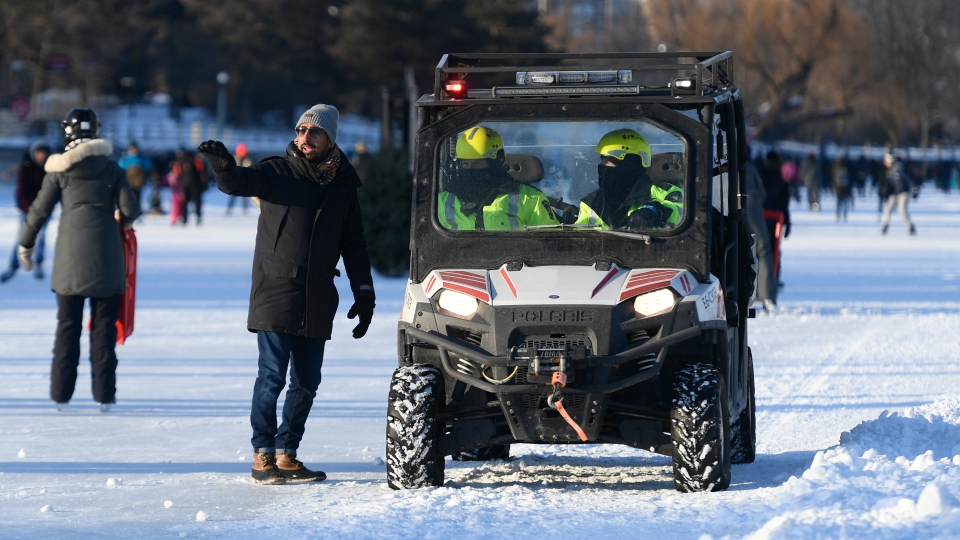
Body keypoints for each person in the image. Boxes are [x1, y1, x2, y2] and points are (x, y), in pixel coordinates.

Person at [197, 103, 375, 485]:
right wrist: (224, 166)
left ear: (330, 139)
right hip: (276, 290)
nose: (305, 138)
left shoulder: (344, 184)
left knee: (307, 382)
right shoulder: (277, 171)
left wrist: (364, 292)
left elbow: (354, 242)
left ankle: (287, 453)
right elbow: (238, 184)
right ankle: (262, 454)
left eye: (314, 132)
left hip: (317, 297)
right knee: (272, 377)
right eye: (300, 130)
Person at [17, 108, 141, 411]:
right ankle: (105, 395)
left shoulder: (59, 169)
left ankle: (61, 395)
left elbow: (38, 212)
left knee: (67, 327)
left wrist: (26, 246)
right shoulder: (112, 168)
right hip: (108, 261)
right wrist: (120, 219)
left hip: (69, 263)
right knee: (104, 330)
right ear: (95, 131)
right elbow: (131, 209)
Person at [438, 126, 559, 230]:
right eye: (465, 164)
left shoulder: (530, 199)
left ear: (497, 162)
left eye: (478, 164)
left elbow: (551, 244)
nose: (471, 169)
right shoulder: (442, 201)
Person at [575, 128, 683, 230]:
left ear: (629, 164)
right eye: (602, 160)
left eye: (608, 160)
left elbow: (681, 211)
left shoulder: (665, 192)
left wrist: (655, 211)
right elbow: (577, 240)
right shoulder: (592, 202)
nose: (601, 165)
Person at [1, 141, 51, 283]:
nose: (42, 156)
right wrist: (28, 209)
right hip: (27, 210)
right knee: (22, 237)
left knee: (41, 237)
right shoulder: (26, 168)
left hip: (44, 210)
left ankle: (39, 264)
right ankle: (14, 264)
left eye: (44, 153)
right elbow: (21, 191)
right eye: (39, 153)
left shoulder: (50, 169)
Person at [744, 156, 777, 312]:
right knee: (763, 250)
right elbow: (761, 191)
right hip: (752, 205)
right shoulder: (749, 166)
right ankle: (767, 295)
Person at [880, 151, 916, 235]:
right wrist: (884, 190)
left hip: (903, 193)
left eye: (887, 161)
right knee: (888, 209)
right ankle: (885, 226)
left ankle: (911, 225)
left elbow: (908, 179)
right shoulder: (889, 171)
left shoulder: (899, 168)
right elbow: (888, 184)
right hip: (894, 194)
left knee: (902, 211)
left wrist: (914, 188)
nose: (885, 163)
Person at [171, 148, 208, 225]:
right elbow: (203, 172)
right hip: (193, 184)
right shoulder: (195, 160)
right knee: (195, 202)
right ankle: (195, 217)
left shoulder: (182, 161)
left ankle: (186, 218)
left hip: (188, 184)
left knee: (186, 202)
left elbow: (176, 173)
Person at [117, 142, 154, 213]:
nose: (134, 150)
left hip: (139, 183)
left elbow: (150, 167)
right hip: (128, 182)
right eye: (132, 149)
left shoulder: (142, 158)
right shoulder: (125, 158)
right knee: (128, 197)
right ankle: (130, 211)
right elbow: (120, 169)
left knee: (137, 197)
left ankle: (137, 211)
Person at [224, 143, 252, 216]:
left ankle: (245, 211)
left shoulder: (247, 160)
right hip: (235, 182)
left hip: (243, 182)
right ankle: (229, 210)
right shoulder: (235, 159)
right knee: (233, 196)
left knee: (244, 197)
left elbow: (249, 168)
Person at [832, 155, 853, 222]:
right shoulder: (847, 167)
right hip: (845, 189)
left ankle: (838, 214)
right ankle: (845, 214)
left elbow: (832, 178)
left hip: (838, 189)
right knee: (845, 203)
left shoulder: (835, 167)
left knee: (838, 202)